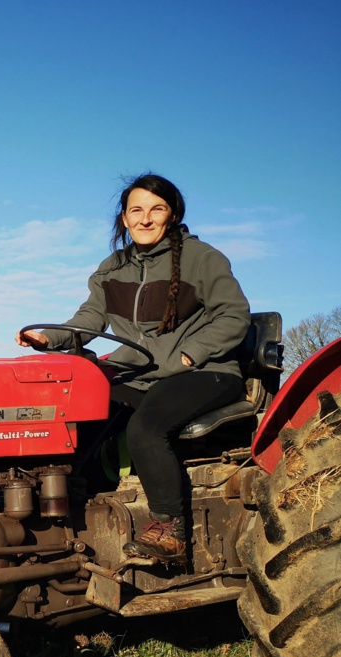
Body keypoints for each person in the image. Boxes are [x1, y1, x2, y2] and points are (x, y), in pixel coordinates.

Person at [16, 173, 250, 562]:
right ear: (124, 218)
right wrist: (48, 339)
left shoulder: (202, 258)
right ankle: (75, 513)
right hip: (140, 375)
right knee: (76, 416)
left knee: (146, 428)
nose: (145, 219)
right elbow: (90, 319)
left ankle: (169, 531)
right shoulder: (113, 267)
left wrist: (188, 355)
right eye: (136, 210)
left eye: (156, 209)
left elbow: (233, 316)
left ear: (172, 215)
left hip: (205, 371)